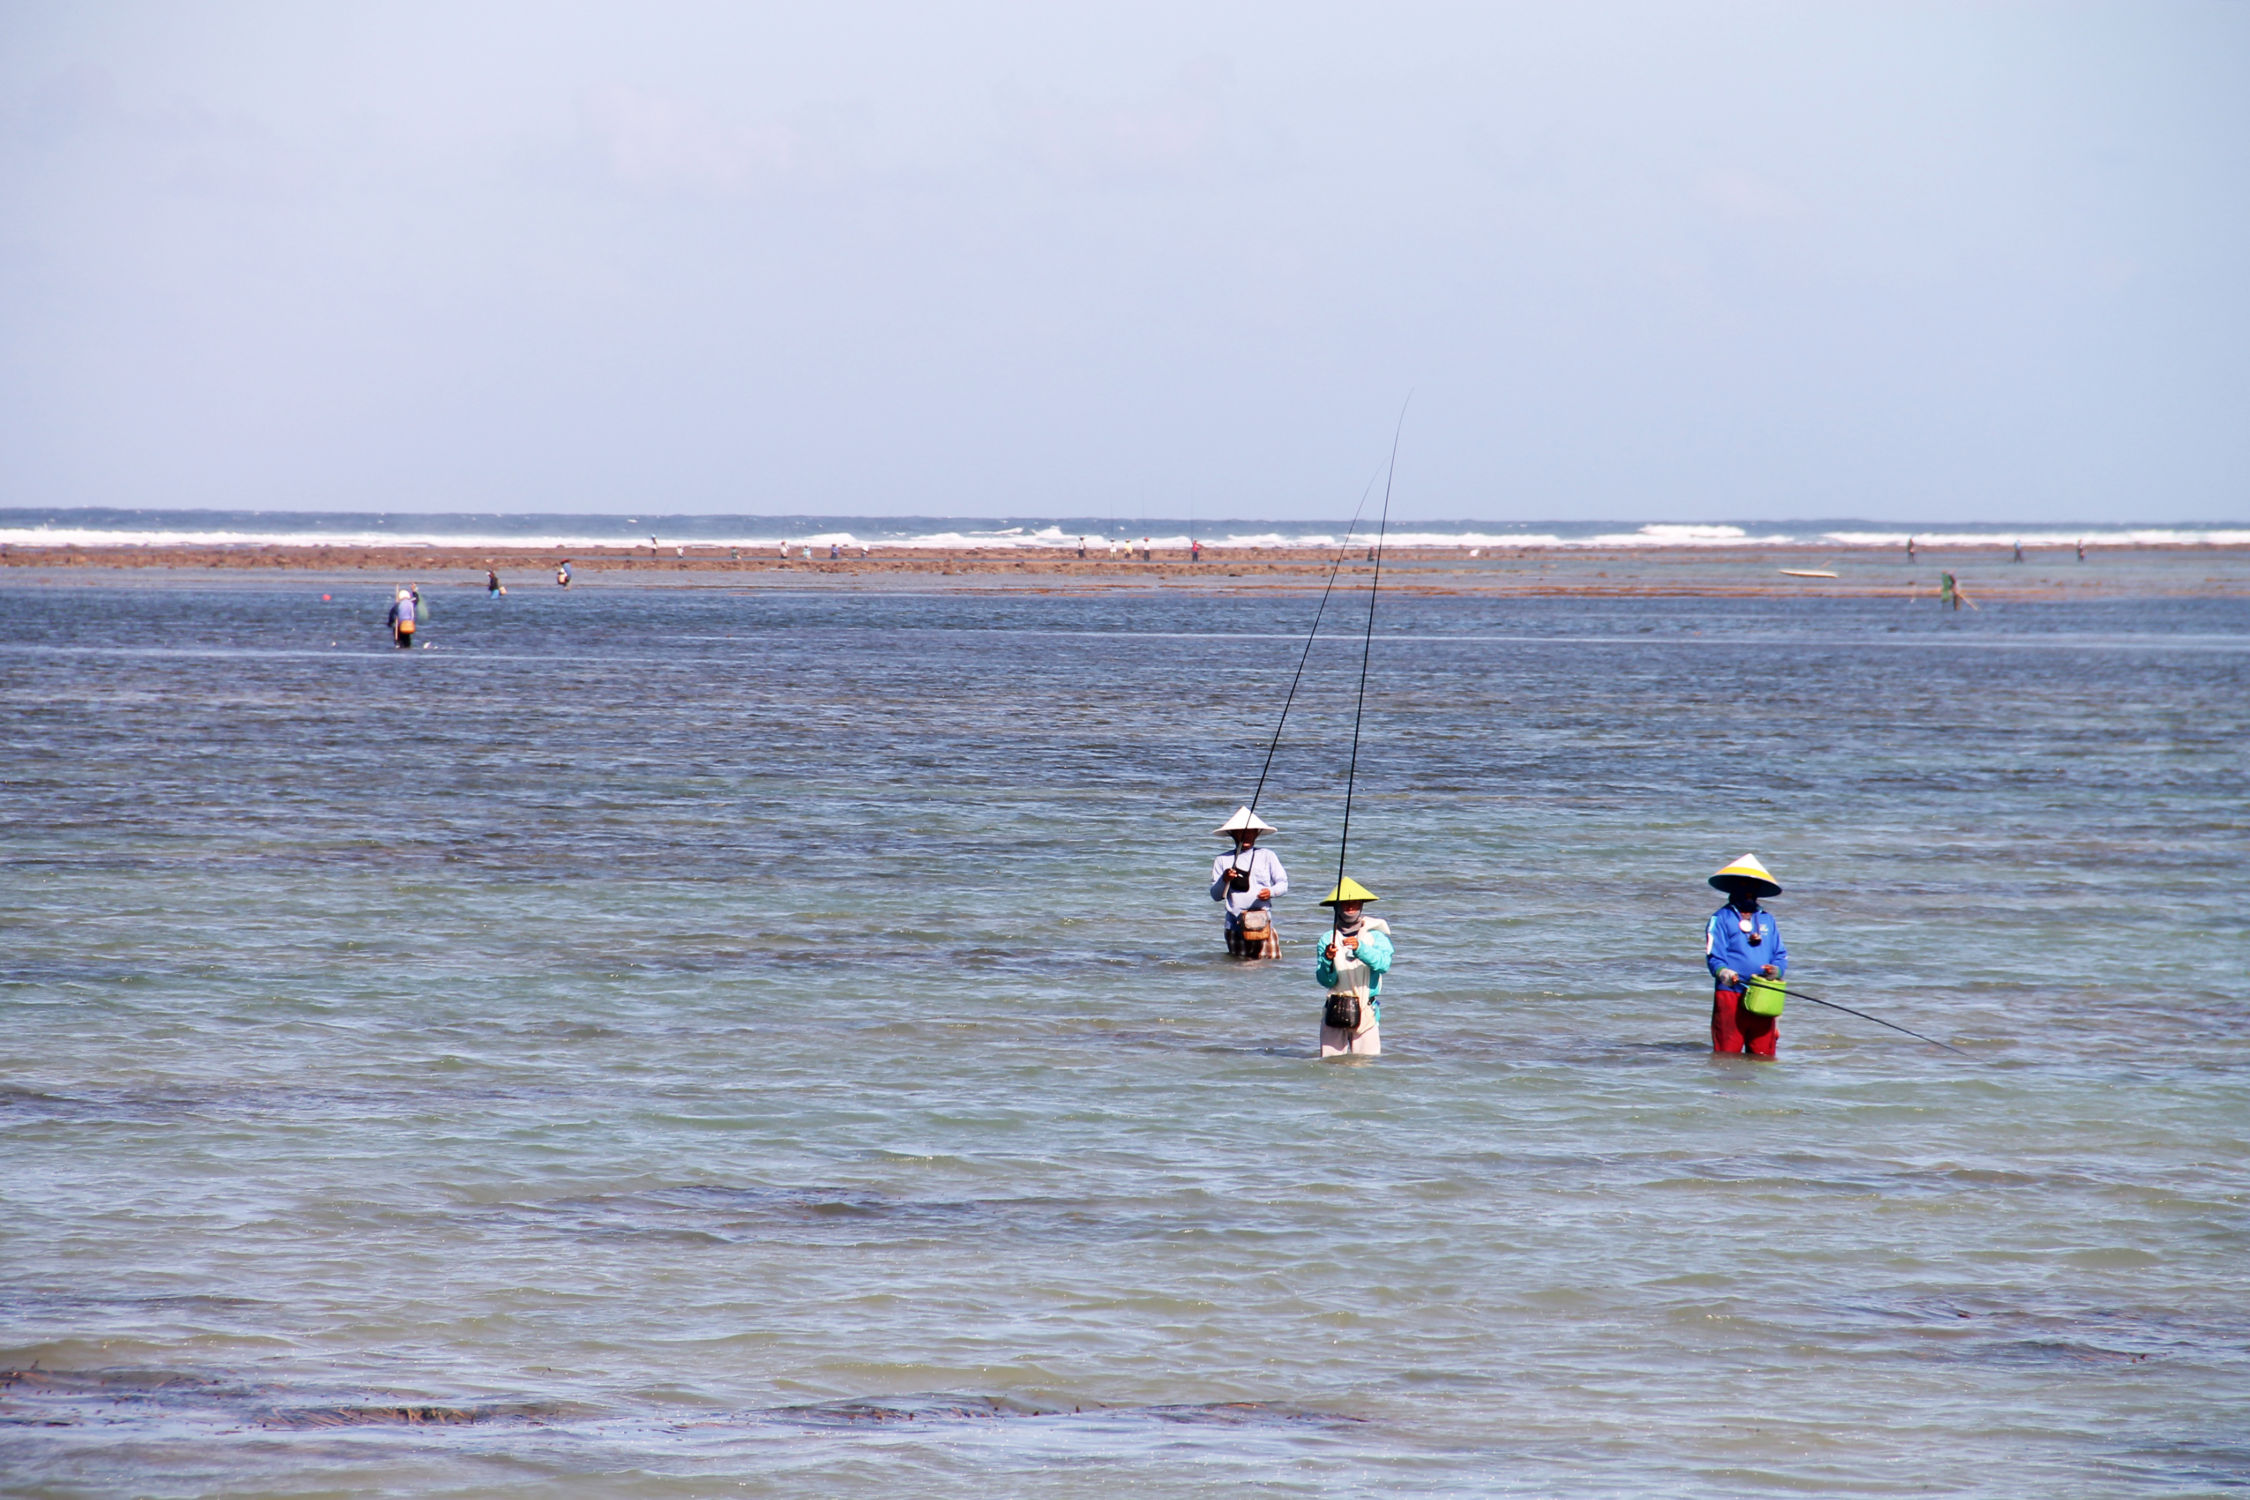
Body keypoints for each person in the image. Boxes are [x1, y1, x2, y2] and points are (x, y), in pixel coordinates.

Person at [1704, 854, 1788, 1058]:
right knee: (1727, 1055)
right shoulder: (1720, 918)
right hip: (1731, 994)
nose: (1749, 892)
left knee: (1763, 1057)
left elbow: (1781, 955)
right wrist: (1724, 973)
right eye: (1744, 886)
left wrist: (1776, 970)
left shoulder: (1768, 920)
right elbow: (1714, 956)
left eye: (1753, 887)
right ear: (1733, 888)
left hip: (1765, 995)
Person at [1315, 878, 1391, 1058]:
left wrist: (1360, 949)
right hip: (1334, 1009)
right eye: (1345, 903)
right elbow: (1325, 980)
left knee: (1366, 1066)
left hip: (1366, 1010)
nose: (1350, 907)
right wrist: (1328, 960)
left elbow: (1383, 964)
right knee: (1330, 1065)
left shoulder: (1376, 936)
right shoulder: (1328, 938)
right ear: (1336, 907)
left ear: (1362, 905)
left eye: (1355, 903)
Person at [1210, 807, 1287, 957]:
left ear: (1256, 833)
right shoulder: (1222, 860)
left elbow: (1283, 884)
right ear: (1233, 834)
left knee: (1269, 970)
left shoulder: (1267, 856)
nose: (1246, 835)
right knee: (1239, 975)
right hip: (1235, 926)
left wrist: (1271, 892)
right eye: (1241, 832)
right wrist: (1224, 879)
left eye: (1250, 831)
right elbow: (1215, 895)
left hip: (1263, 925)